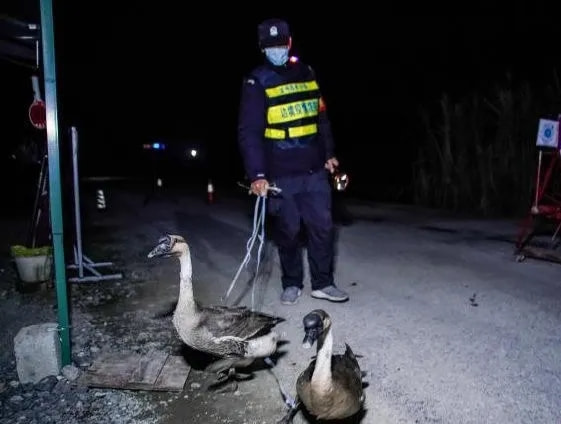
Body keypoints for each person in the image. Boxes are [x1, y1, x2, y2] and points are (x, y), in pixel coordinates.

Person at [237, 18, 349, 305]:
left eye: (280, 43)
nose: (277, 49)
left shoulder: (307, 73)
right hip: (280, 174)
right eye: (270, 45)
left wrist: (329, 153)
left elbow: (320, 117)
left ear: (289, 42)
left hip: (314, 169)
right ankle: (292, 283)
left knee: (323, 227)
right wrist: (257, 174)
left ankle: (323, 283)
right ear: (262, 48)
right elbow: (249, 133)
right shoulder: (256, 81)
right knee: (288, 232)